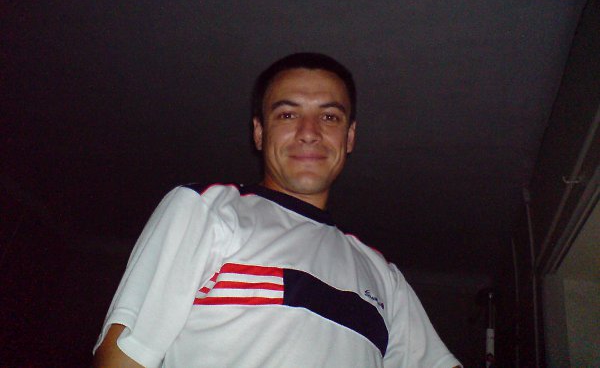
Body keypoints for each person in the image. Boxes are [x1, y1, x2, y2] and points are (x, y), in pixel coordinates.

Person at [92, 53, 461, 367]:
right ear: (259, 132)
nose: (309, 132)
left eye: (329, 117)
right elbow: (124, 357)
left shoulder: (384, 277)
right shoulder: (207, 209)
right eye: (287, 115)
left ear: (349, 137)